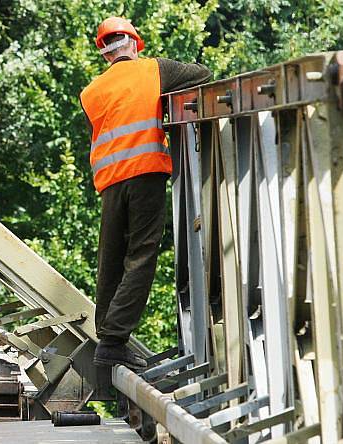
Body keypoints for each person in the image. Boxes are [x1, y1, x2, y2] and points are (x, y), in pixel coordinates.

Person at [79, 17, 212, 369]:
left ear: (105, 54)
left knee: (110, 258)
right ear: (135, 44)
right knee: (141, 254)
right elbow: (203, 74)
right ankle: (114, 337)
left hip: (109, 181)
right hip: (145, 174)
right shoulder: (154, 70)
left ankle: (106, 338)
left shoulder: (90, 92)